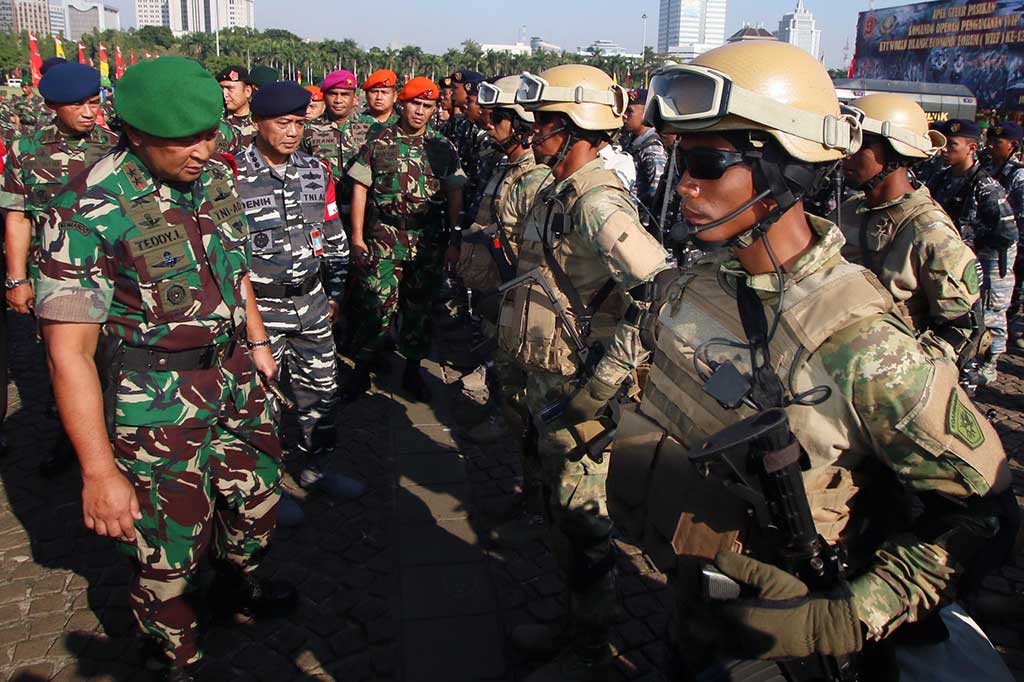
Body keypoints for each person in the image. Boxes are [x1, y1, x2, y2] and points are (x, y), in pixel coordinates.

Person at [608, 41, 1015, 682]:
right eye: (685, 159)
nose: (685, 184)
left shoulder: (862, 344)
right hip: (696, 592)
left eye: (710, 164)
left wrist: (847, 616)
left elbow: (982, 509)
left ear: (786, 168)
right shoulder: (703, 281)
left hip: (794, 637)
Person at [34, 57, 294, 682]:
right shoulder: (84, 208)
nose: (206, 148)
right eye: (188, 139)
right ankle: (173, 654)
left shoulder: (211, 178)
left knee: (257, 502)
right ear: (137, 132)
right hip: (155, 399)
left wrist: (257, 343)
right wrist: (98, 471)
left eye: (211, 132)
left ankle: (238, 591)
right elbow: (66, 351)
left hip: (234, 374)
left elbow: (235, 270)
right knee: (169, 547)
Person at [495, 64, 671, 680]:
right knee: (559, 514)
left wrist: (602, 384)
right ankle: (572, 625)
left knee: (585, 523)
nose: (534, 132)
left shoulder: (598, 201)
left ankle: (591, 651)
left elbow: (656, 293)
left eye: (546, 124)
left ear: (579, 130)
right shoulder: (556, 189)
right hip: (545, 372)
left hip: (579, 386)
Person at [235, 81, 363, 524]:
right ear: (258, 123)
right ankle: (265, 489)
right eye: (282, 123)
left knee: (323, 393)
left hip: (311, 305)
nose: (292, 132)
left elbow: (334, 236)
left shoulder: (316, 170)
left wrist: (334, 293)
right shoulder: (231, 175)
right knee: (261, 404)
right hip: (261, 312)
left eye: (298, 123)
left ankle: (315, 468)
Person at [0, 62, 119, 476]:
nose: (90, 112)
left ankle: (117, 439)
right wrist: (16, 279)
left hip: (111, 272)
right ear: (52, 105)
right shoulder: (26, 150)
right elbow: (18, 218)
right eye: (78, 105)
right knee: (64, 363)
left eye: (94, 103)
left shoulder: (113, 146)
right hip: (55, 275)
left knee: (115, 361)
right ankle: (73, 440)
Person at [344, 77, 466, 402]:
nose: (420, 112)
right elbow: (360, 189)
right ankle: (362, 369)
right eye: (415, 104)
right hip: (385, 236)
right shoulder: (379, 142)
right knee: (376, 304)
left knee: (419, 308)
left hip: (427, 239)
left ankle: (412, 370)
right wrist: (357, 238)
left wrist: (454, 239)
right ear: (402, 103)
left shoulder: (442, 147)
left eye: (427, 106)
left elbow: (455, 193)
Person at [837, 94, 980, 364]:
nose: (848, 153)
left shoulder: (929, 231)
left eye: (863, 144)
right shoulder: (851, 210)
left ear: (897, 153)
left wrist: (907, 369)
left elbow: (961, 328)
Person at [456, 76, 552, 449]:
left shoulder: (533, 178)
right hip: (494, 287)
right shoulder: (505, 167)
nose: (489, 124)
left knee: (513, 371)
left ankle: (512, 430)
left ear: (523, 127)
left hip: (514, 290)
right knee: (499, 360)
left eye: (499, 118)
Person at [928, 119, 1018, 385]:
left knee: (988, 314)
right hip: (953, 259)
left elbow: (1007, 233)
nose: (944, 150)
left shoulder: (986, 186)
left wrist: (970, 240)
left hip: (986, 261)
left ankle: (988, 364)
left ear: (971, 148)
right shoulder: (942, 178)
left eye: (952, 145)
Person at [983, 121, 1024, 350]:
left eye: (997, 142)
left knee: (999, 299)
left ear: (1013, 145)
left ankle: (994, 353)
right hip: (985, 243)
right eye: (990, 140)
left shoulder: (1018, 175)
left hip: (1008, 244)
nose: (990, 146)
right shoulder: (986, 168)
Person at [622, 88, 668, 219]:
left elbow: (657, 194)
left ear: (646, 113)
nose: (624, 115)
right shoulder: (633, 142)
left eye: (630, 111)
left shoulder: (652, 149)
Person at [216, 64, 257, 149]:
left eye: (230, 88)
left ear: (247, 91)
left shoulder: (260, 121)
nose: (224, 94)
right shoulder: (215, 121)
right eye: (221, 88)